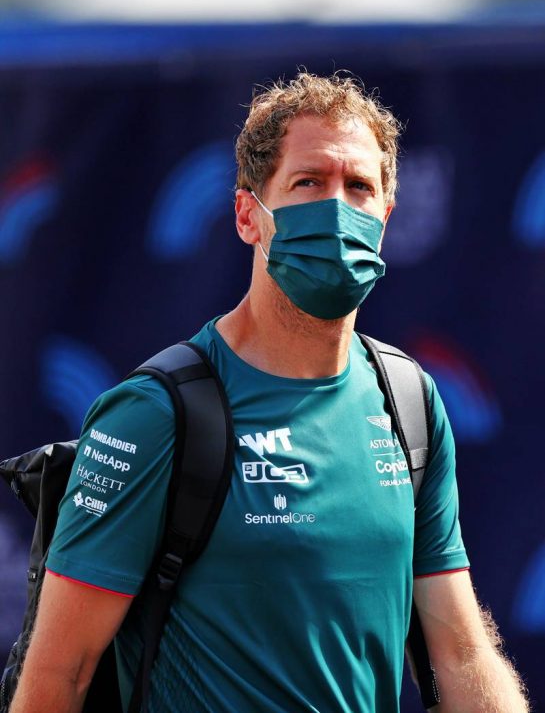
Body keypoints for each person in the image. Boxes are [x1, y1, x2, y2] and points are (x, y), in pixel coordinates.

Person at [11, 72, 529, 713]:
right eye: (309, 182)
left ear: (387, 218)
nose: (337, 210)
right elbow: (57, 680)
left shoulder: (409, 401)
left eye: (359, 187)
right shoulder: (157, 414)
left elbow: (461, 655)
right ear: (247, 215)